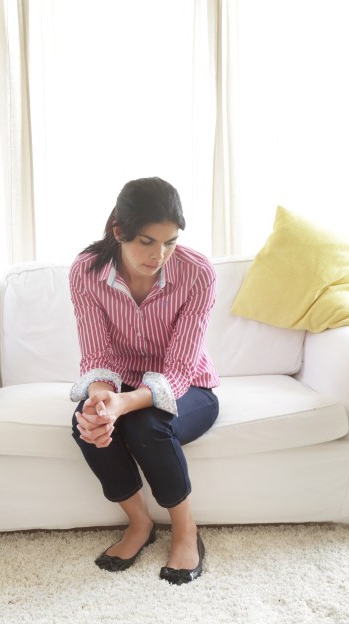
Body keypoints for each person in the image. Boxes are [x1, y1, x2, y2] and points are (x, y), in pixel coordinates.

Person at [70, 176, 220, 585]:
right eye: (147, 242)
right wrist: (102, 401)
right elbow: (97, 355)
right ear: (119, 231)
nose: (160, 255)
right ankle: (139, 524)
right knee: (84, 422)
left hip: (191, 389)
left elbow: (179, 370)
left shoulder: (197, 273)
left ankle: (186, 531)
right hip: (122, 384)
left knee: (146, 423)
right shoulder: (86, 271)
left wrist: (122, 405)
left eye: (170, 241)